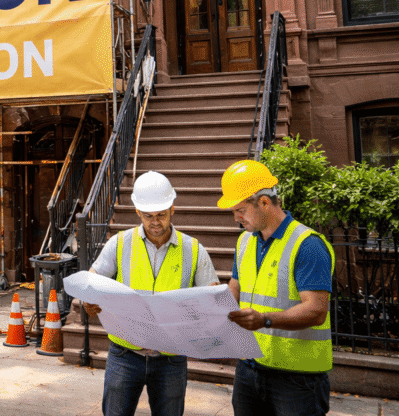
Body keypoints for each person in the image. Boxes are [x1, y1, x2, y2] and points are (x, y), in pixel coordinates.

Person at [82, 171, 220, 416]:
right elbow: (93, 282)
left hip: (170, 361)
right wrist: (89, 299)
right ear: (137, 212)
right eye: (148, 216)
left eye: (161, 215)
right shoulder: (120, 243)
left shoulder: (194, 250)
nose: (155, 221)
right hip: (125, 355)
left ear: (172, 209)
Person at [219, 160, 334, 416]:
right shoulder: (244, 243)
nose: (236, 218)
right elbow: (234, 290)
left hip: (296, 380)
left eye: (240, 209)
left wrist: (264, 320)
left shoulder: (308, 245)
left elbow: (316, 311)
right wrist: (207, 304)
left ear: (263, 202)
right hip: (249, 368)